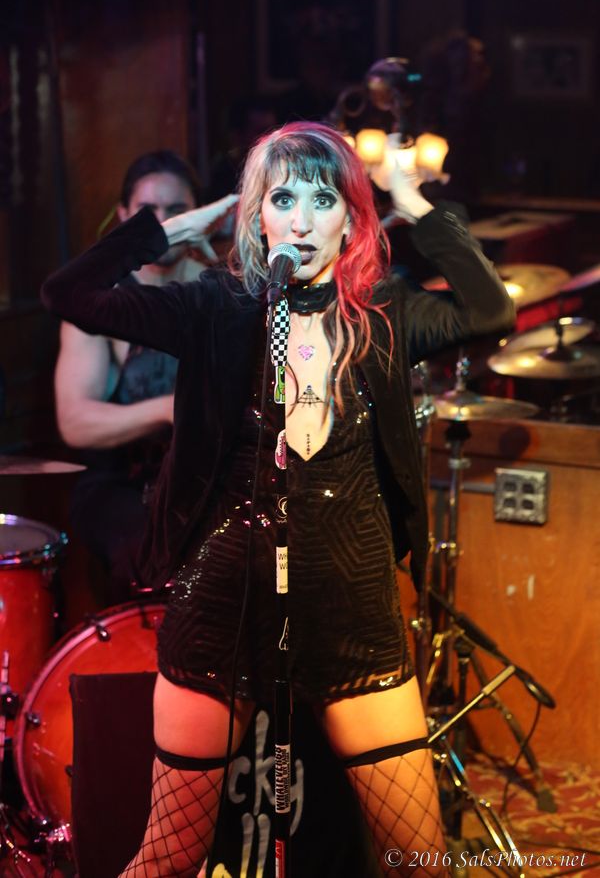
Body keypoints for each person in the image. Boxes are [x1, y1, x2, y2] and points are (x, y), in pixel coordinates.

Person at [42, 121, 514, 877]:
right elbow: (68, 293)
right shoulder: (218, 308)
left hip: (354, 608)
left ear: (351, 220)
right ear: (257, 214)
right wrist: (173, 229)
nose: (302, 219)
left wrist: (413, 203)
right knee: (169, 858)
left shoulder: (384, 313)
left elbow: (490, 312)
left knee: (420, 860)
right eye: (283, 198)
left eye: (324, 200)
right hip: (223, 606)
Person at [53, 150, 206, 604]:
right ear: (125, 217)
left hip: (201, 484)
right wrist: (167, 410)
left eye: (176, 210)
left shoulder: (218, 292)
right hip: (121, 486)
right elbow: (75, 422)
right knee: (151, 549)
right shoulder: (98, 304)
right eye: (148, 211)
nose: (163, 222)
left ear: (199, 214)